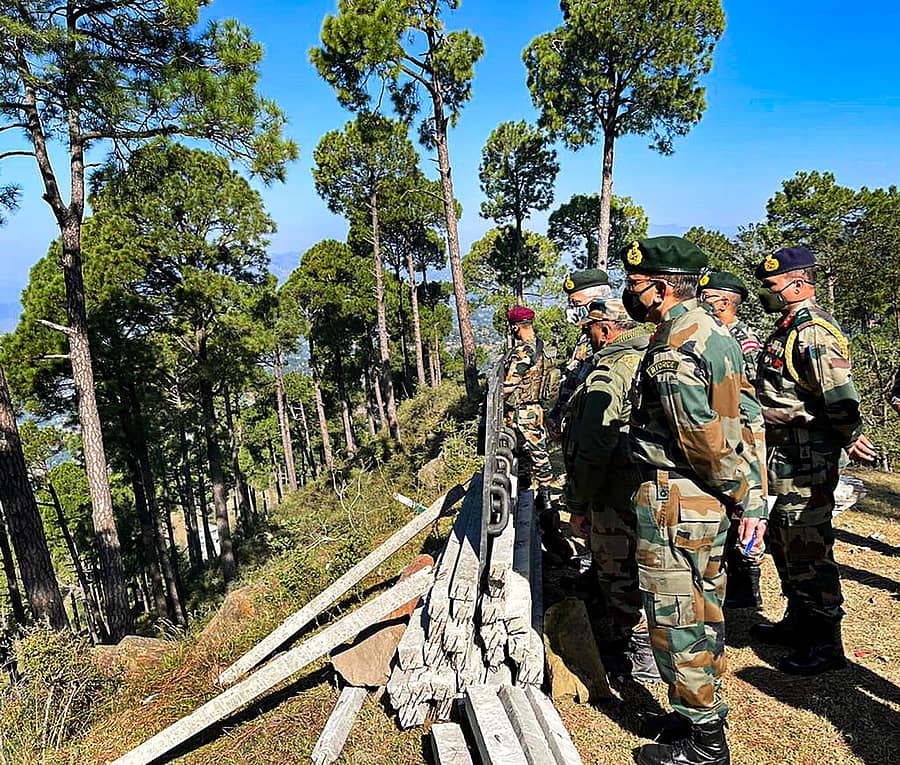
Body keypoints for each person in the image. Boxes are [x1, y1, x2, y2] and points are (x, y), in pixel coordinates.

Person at [622, 236, 768, 765]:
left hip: (677, 495)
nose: (629, 294)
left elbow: (699, 438)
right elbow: (748, 418)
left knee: (675, 616)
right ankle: (692, 713)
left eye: (635, 286)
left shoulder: (673, 347)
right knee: (704, 610)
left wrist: (741, 491)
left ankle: (705, 743)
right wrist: (751, 493)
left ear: (660, 288)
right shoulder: (715, 333)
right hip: (707, 501)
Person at [750, 246, 876, 675]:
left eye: (772, 286)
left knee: (808, 547)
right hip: (783, 456)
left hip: (807, 460)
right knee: (784, 541)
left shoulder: (813, 332)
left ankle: (825, 643)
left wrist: (851, 436)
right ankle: (798, 620)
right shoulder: (787, 327)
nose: (766, 293)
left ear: (799, 284)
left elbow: (839, 399)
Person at [561, 298, 657, 679]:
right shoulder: (652, 354)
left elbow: (594, 443)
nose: (589, 337)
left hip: (614, 489)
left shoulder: (611, 369)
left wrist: (578, 503)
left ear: (606, 329)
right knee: (646, 565)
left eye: (590, 329)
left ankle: (640, 652)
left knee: (617, 569)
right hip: (646, 487)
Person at [698, 271, 767, 610]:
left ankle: (746, 586)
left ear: (724, 302)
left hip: (744, 434)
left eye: (707, 297)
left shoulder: (742, 339)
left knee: (746, 512)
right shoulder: (712, 334)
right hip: (723, 433)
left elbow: (751, 397)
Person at [502, 305, 570, 561]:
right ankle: (537, 502)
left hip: (521, 413)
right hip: (536, 410)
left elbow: (509, 385)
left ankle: (544, 507)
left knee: (535, 459)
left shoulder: (523, 351)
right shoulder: (541, 345)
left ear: (516, 327)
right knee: (533, 458)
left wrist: (493, 400)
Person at [546, 269, 612, 438]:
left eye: (576, 303)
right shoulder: (586, 336)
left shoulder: (610, 336)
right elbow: (573, 378)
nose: (571, 309)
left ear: (597, 301)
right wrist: (556, 415)